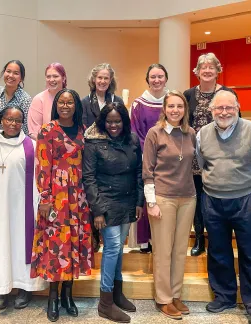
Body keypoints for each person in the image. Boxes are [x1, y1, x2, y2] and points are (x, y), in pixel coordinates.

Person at [196, 90, 251, 324]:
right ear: (211, 111)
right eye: (219, 108)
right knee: (218, 252)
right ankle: (224, 296)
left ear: (237, 107)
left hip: (246, 201)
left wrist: (249, 185)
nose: (224, 112)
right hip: (212, 201)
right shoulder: (203, 134)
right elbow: (203, 163)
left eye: (229, 107)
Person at [31, 89, 93, 322]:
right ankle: (53, 297)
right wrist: (45, 198)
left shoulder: (83, 131)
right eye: (62, 102)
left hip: (78, 196)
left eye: (70, 103)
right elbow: (42, 166)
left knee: (74, 244)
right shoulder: (47, 131)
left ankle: (69, 295)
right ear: (56, 105)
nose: (65, 106)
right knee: (56, 246)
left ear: (76, 106)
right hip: (55, 197)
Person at [0, 106, 47, 310]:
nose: (13, 124)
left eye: (17, 120)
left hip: (22, 207)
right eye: (8, 119)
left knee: (20, 244)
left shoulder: (31, 146)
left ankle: (25, 287)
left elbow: (40, 175)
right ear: (1, 121)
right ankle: (1, 288)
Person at [83, 102, 141, 323]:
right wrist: (97, 211)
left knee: (118, 249)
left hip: (127, 201)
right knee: (113, 247)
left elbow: (138, 171)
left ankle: (117, 293)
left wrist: (139, 201)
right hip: (105, 202)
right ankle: (105, 302)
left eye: (117, 121)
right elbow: (88, 178)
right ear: (102, 121)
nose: (113, 125)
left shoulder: (133, 139)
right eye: (109, 121)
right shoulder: (93, 142)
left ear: (124, 121)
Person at [142, 91, 196, 320]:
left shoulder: (190, 133)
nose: (175, 110)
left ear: (185, 110)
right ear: (164, 109)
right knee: (163, 251)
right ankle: (163, 299)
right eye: (171, 106)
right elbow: (147, 171)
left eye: (180, 106)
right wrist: (151, 202)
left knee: (179, 250)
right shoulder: (155, 134)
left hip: (188, 198)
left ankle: (175, 295)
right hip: (163, 198)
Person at [184, 53, 235, 257]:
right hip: (194, 157)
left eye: (211, 67)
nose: (207, 70)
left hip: (220, 155)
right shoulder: (187, 95)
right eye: (202, 67)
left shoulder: (227, 93)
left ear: (217, 70)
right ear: (196, 71)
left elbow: (235, 123)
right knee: (197, 199)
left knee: (216, 199)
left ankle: (216, 240)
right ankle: (198, 239)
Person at [130, 63, 169, 254]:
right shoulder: (138, 104)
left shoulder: (172, 102)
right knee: (147, 199)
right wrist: (150, 153)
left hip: (168, 160)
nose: (157, 80)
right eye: (153, 77)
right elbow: (134, 132)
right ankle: (146, 241)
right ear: (147, 80)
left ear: (166, 79)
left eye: (160, 76)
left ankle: (162, 239)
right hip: (146, 157)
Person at [0, 60, 32, 137]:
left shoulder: (26, 99)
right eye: (8, 71)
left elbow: (25, 126)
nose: (11, 75)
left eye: (16, 73)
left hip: (18, 142)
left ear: (21, 78)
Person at [27, 63, 67, 140]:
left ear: (63, 78)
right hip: (45, 146)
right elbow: (34, 132)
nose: (51, 80)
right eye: (48, 76)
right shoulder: (39, 99)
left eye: (55, 76)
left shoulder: (71, 98)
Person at [81, 63, 125, 128]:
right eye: (100, 78)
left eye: (106, 78)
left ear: (110, 81)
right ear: (94, 79)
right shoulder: (85, 102)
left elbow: (123, 126)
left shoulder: (118, 101)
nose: (102, 81)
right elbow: (83, 128)